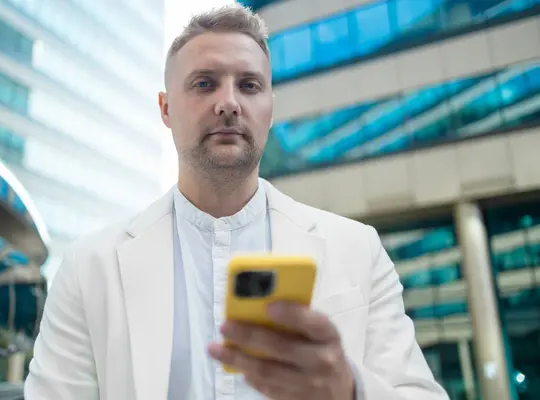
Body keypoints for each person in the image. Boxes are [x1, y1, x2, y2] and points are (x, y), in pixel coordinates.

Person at [24, 5, 449, 400]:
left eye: (249, 85)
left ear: (269, 108)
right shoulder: (87, 268)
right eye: (204, 83)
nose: (228, 103)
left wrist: (349, 387)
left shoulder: (358, 249)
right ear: (166, 108)